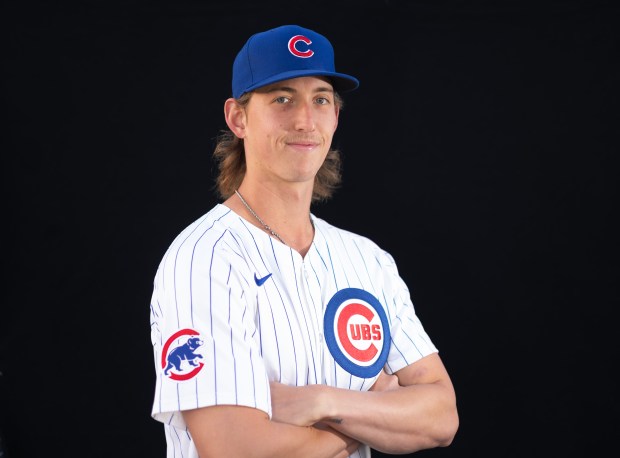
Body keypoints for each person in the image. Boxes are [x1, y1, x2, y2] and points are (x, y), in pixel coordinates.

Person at [149, 24, 459, 458]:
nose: (304, 119)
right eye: (281, 98)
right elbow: (235, 449)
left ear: (336, 116)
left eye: (320, 99)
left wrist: (322, 402)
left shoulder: (367, 260)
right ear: (238, 118)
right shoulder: (204, 258)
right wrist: (374, 414)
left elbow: (441, 416)